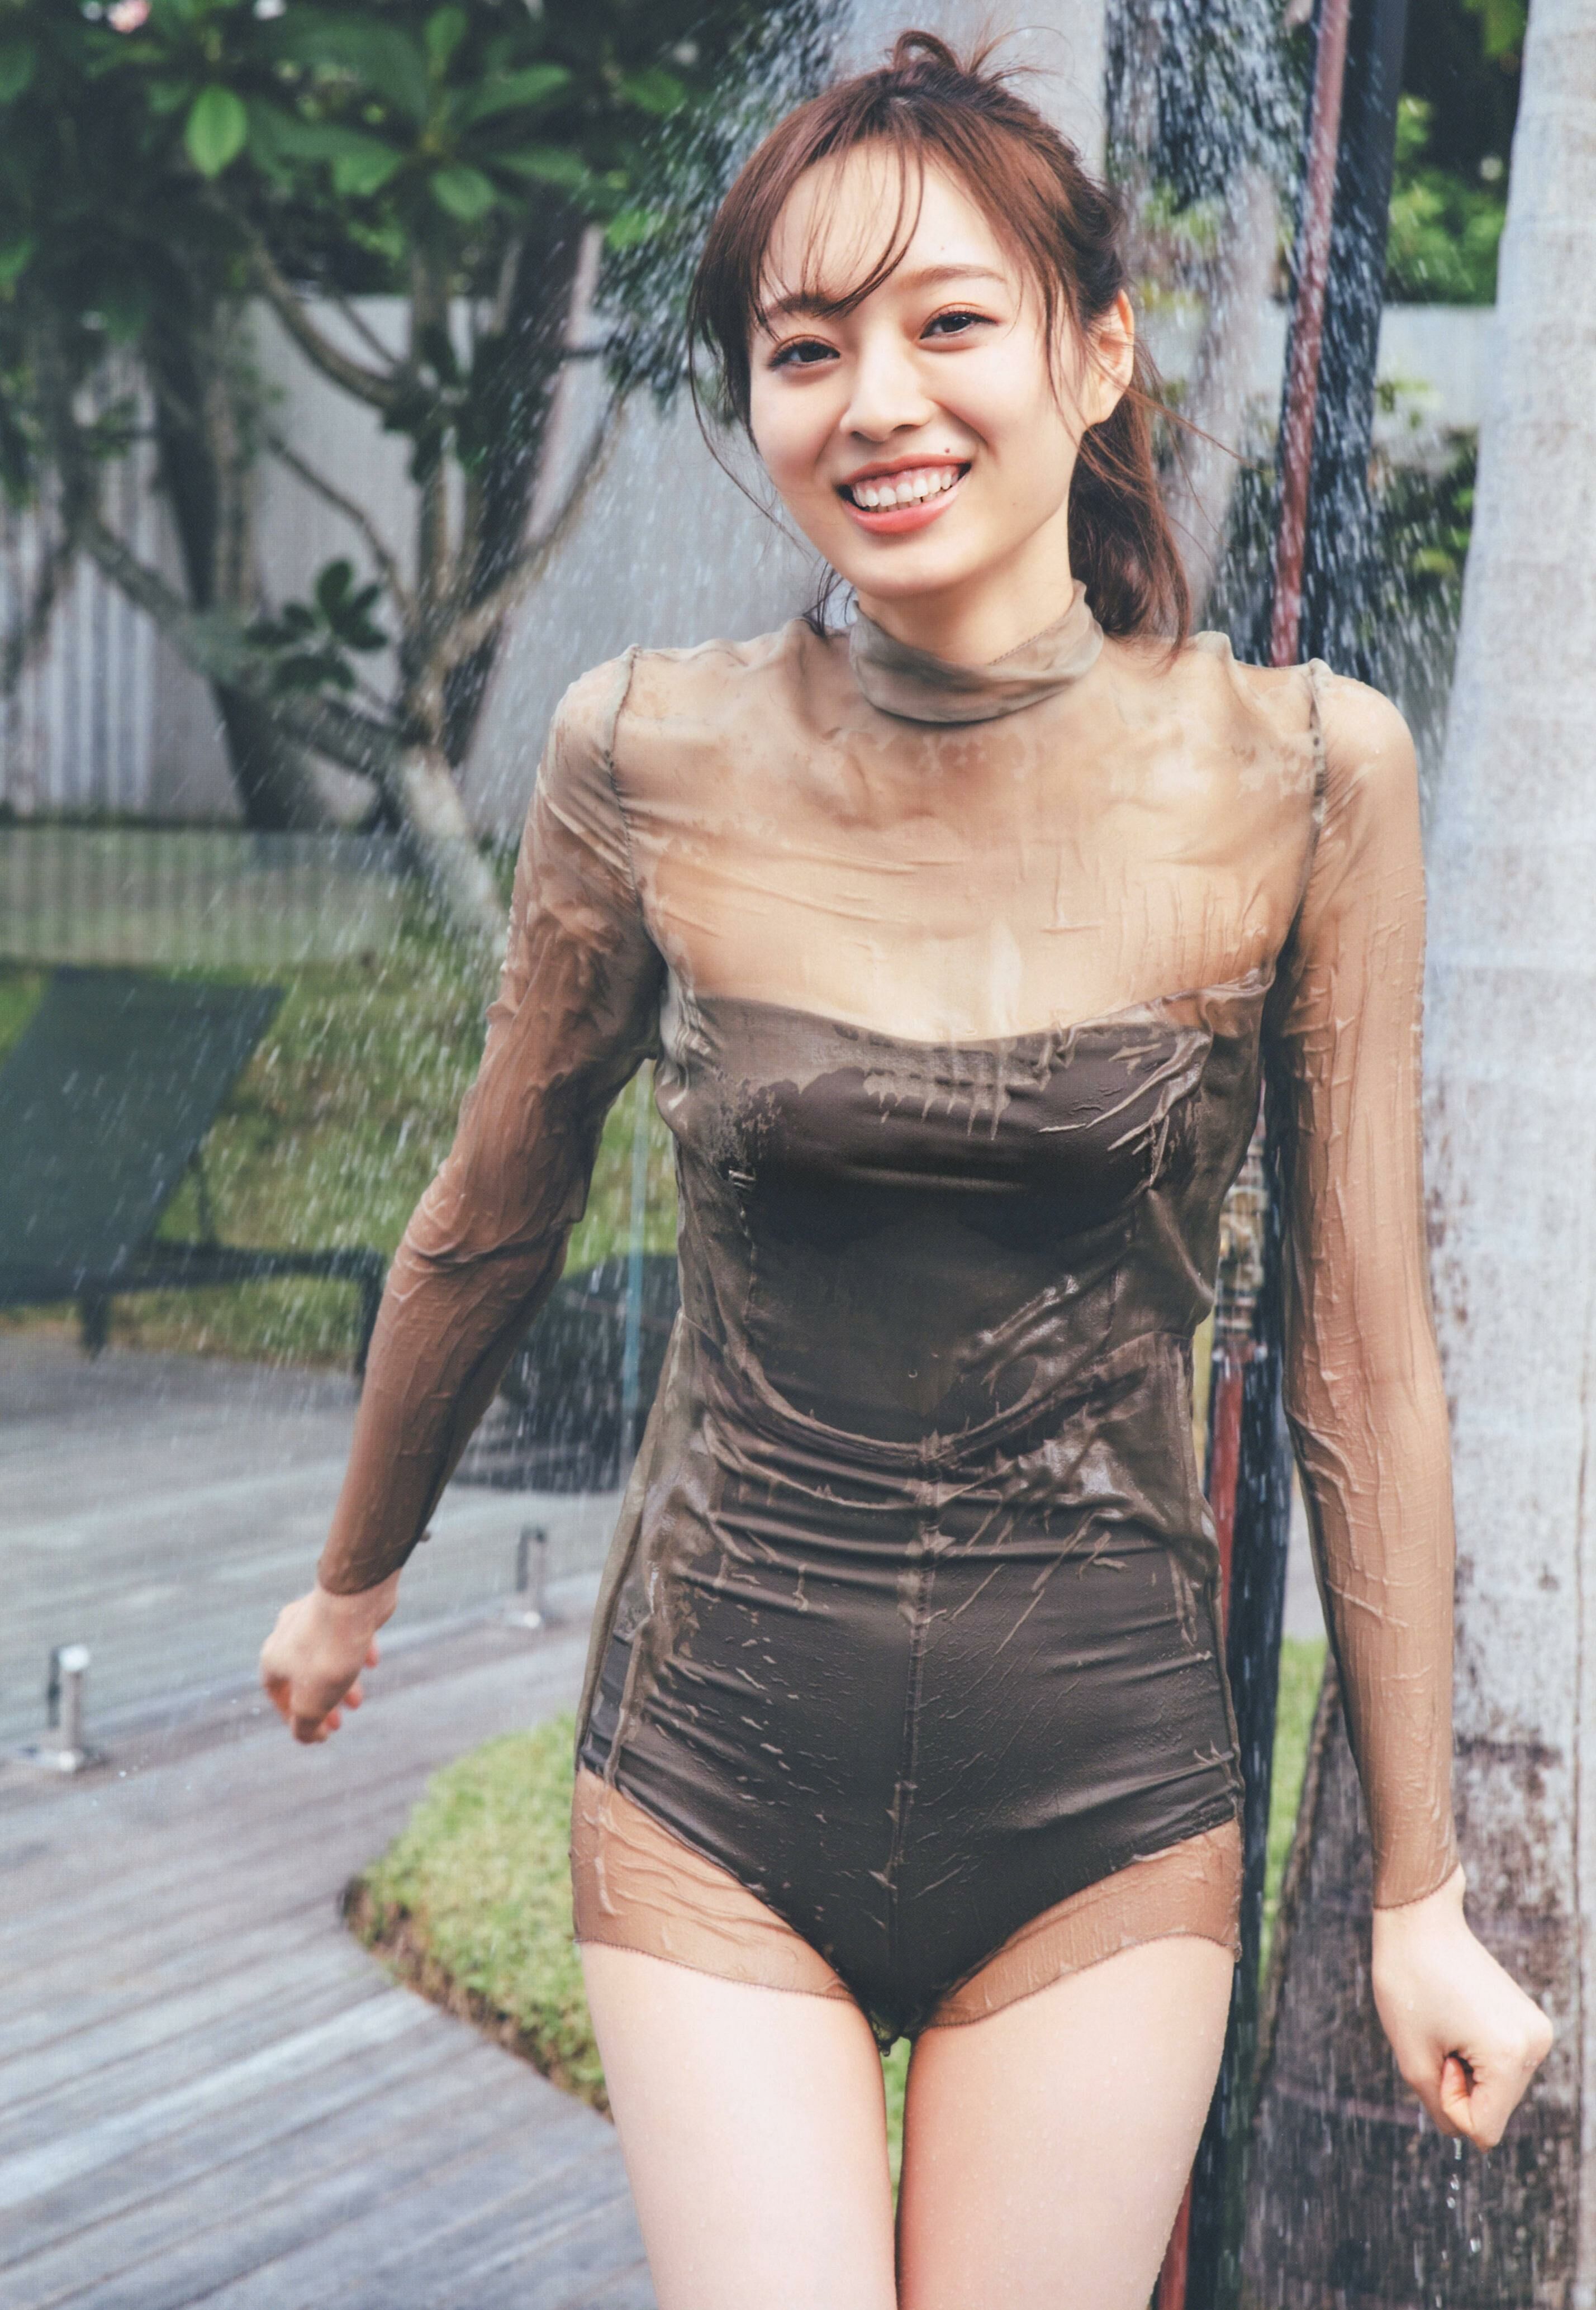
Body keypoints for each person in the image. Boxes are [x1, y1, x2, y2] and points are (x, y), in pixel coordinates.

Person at [260, 31, 1553, 2309]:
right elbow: (490, 1212)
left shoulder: (1304, 771)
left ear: (1099, 352)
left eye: (950, 322)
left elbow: (1364, 1359)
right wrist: (353, 1581)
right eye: (805, 348)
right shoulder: (643, 750)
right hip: (710, 1777)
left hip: (1103, 1813)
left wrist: (1418, 1890)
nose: (878, 401)